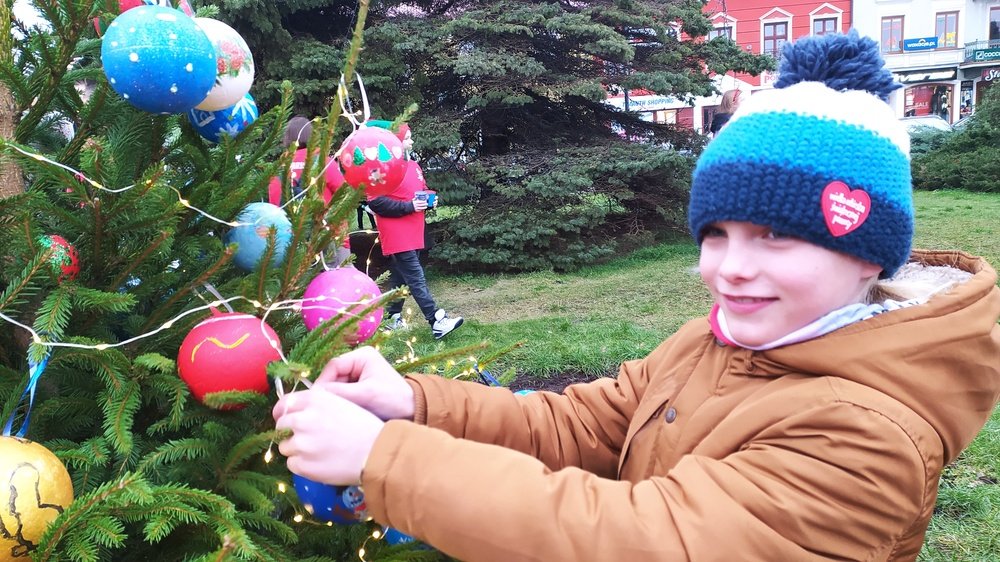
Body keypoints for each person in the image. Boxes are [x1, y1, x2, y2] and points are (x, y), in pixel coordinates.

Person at [272, 32, 1000, 561]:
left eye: (775, 235)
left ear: (867, 251)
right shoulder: (717, 341)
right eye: (715, 234)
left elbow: (640, 538)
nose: (728, 270)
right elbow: (582, 423)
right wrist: (417, 403)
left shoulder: (867, 436)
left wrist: (389, 460)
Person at [366, 157, 463, 339]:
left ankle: (392, 318)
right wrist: (409, 206)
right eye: (407, 140)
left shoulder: (413, 165)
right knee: (415, 277)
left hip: (414, 232)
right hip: (396, 233)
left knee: (400, 276)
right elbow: (375, 202)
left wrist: (429, 200)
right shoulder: (380, 166)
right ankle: (436, 321)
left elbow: (421, 190)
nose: (410, 143)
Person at [268, 116, 351, 265]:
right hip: (330, 237)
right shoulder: (324, 162)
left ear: (286, 138)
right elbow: (345, 195)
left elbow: (274, 206)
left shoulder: (278, 169)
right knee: (343, 277)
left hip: (293, 243)